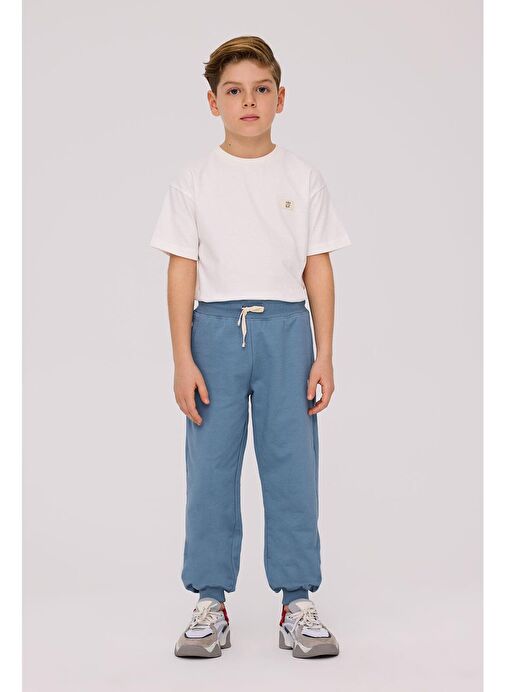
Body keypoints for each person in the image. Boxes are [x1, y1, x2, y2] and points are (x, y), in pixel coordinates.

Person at [150, 35, 351, 659]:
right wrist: (182, 358)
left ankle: (297, 601)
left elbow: (318, 267)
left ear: (280, 98)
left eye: (261, 89)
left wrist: (324, 352)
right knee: (211, 466)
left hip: (287, 330)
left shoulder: (302, 176)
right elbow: (181, 270)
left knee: (292, 465)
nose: (249, 102)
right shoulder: (194, 179)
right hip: (215, 331)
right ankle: (210, 602)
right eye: (234, 91)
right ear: (213, 102)